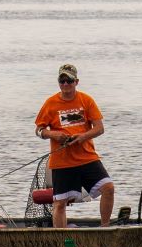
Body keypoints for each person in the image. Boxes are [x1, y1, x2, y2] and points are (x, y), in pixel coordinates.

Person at [34, 63, 114, 229]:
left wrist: (82, 137)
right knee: (60, 203)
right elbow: (39, 130)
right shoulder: (50, 103)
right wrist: (53, 134)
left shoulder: (86, 100)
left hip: (87, 157)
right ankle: (61, 239)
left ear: (76, 82)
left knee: (108, 188)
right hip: (62, 162)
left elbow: (100, 128)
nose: (65, 84)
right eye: (62, 81)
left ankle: (105, 228)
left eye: (69, 81)